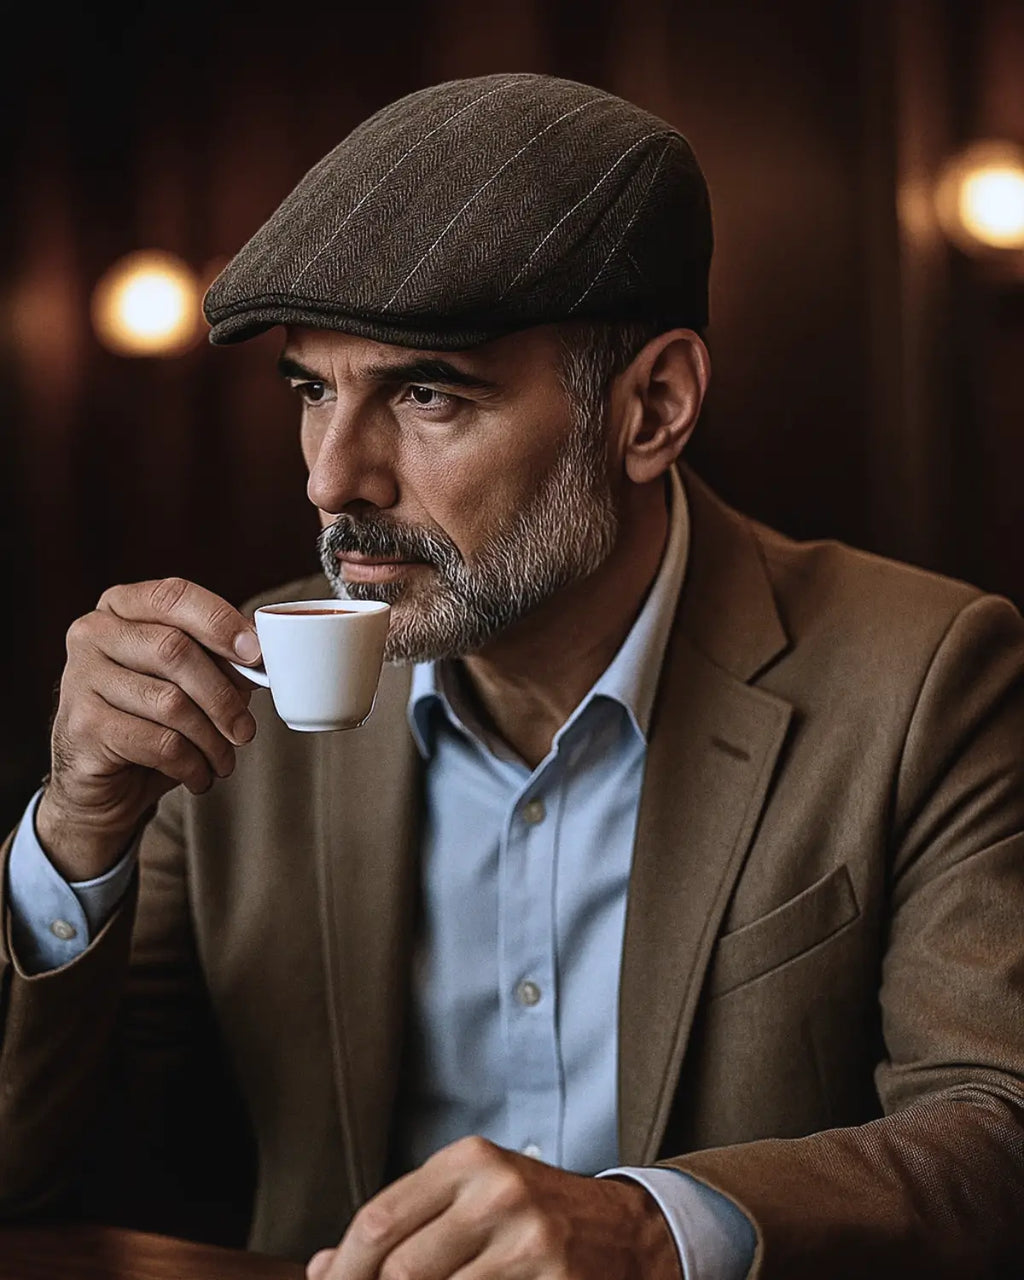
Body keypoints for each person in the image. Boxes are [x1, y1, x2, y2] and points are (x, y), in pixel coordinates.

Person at [1, 72, 1022, 1280]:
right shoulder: (234, 684)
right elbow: (35, 1170)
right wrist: (76, 835)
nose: (333, 478)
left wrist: (654, 1229)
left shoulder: (928, 673)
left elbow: (993, 1130)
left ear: (652, 408)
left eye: (426, 392)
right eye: (312, 389)